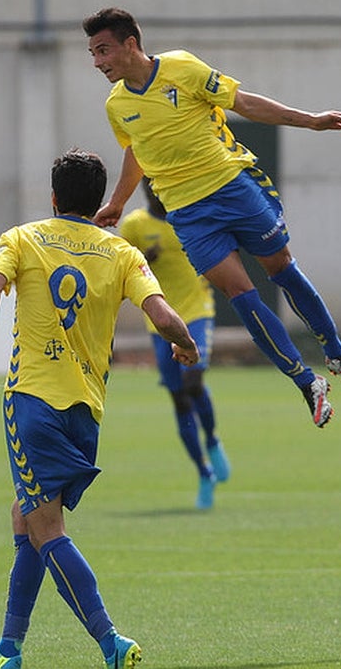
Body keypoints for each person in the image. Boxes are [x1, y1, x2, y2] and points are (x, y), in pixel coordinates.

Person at [0, 149, 198, 669]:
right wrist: (186, 343)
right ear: (97, 199)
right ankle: (8, 650)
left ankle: (111, 641)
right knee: (25, 516)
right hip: (87, 411)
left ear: (54, 197)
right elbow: (161, 312)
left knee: (46, 528)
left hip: (33, 401)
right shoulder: (121, 251)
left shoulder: (22, 237)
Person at [83, 6, 341, 430]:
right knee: (241, 293)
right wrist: (119, 200)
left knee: (282, 269)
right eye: (92, 54)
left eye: (103, 50)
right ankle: (306, 381)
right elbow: (135, 151)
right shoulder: (117, 104)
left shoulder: (181, 67)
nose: (97, 62)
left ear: (131, 44)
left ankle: (337, 354)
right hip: (188, 214)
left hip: (232, 187)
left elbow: (244, 102)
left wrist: (309, 120)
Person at [119, 178, 229, 509]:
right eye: (150, 185)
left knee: (193, 380)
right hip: (161, 321)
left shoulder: (189, 214)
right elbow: (121, 269)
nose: (156, 190)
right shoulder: (135, 225)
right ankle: (204, 471)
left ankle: (211, 439)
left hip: (197, 309)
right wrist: (143, 259)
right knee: (179, 398)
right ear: (145, 190)